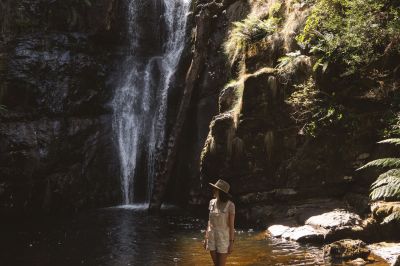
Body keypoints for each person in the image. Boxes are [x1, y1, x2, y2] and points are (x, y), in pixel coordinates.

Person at [203, 179, 235, 266]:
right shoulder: (211, 202)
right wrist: (206, 238)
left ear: (221, 192)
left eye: (215, 189)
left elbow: (231, 226)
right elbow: (209, 221)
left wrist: (231, 242)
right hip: (211, 236)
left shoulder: (230, 205)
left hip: (223, 238)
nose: (213, 190)